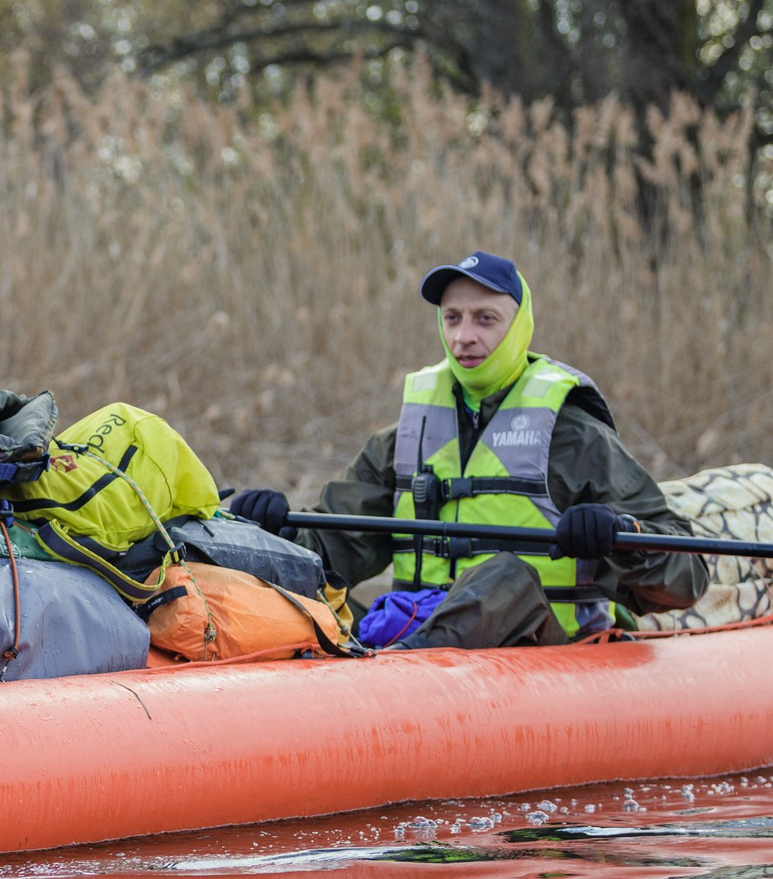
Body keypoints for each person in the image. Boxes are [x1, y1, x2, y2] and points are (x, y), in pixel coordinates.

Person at [228, 253, 705, 649]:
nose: (464, 337)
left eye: (485, 319)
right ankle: (387, 666)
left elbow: (687, 576)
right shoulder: (403, 440)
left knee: (504, 576)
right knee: (315, 600)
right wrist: (276, 531)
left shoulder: (575, 438)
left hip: (551, 649)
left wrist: (620, 534)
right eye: (452, 319)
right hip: (422, 637)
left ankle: (393, 670)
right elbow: (332, 552)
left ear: (519, 326)